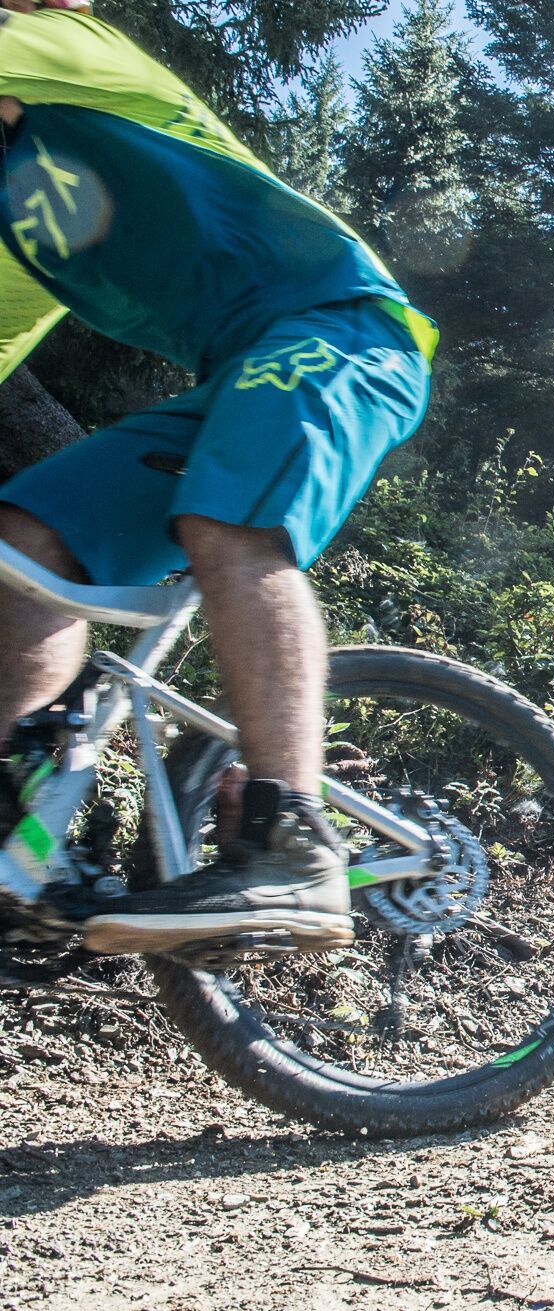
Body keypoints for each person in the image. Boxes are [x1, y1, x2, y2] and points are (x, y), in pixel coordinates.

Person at [0, 1, 434, 955]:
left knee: (225, 521)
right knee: (25, 544)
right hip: (235, 371)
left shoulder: (69, 51)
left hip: (342, 327)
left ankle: (292, 842)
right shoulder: (18, 211)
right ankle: (20, 837)